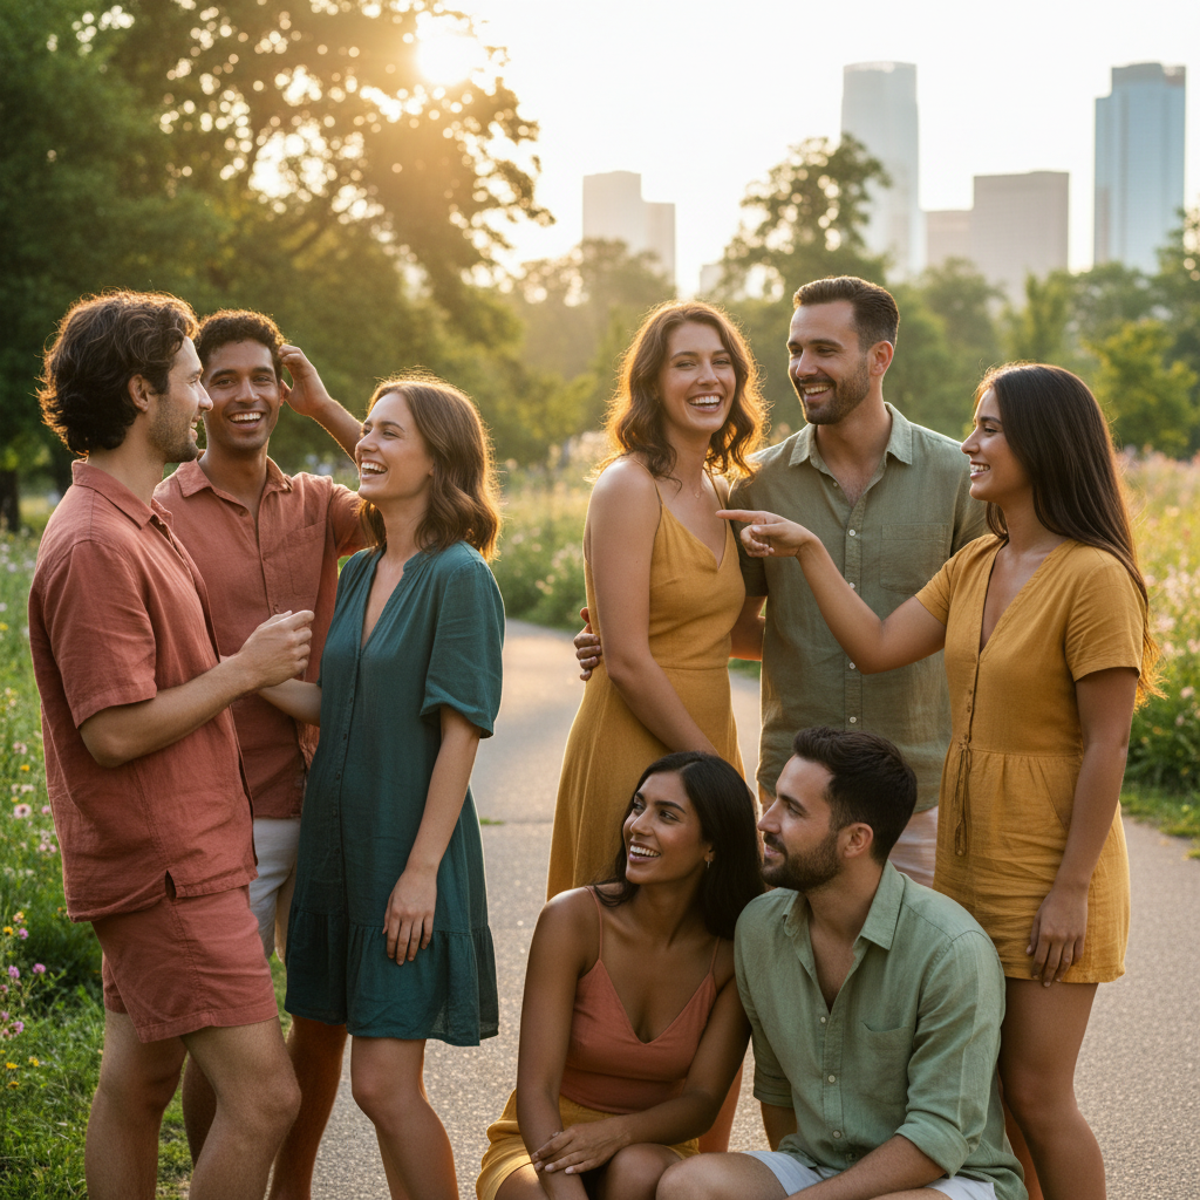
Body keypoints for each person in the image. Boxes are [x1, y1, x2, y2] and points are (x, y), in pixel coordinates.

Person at [722, 363, 1156, 1200]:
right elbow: (878, 644)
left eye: (990, 428)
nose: (970, 443)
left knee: (1037, 1094)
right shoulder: (979, 563)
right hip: (970, 859)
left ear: (1046, 443)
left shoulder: (1096, 576)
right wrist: (810, 550)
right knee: (994, 1093)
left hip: (1052, 866)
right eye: (975, 424)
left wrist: (1069, 890)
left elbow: (1110, 746)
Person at [27, 291, 315, 1200]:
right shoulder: (94, 545)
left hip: (181, 857)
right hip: (166, 870)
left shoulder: (135, 519)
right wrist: (245, 669)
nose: (203, 400)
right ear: (141, 391)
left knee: (140, 1082)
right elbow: (110, 734)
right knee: (267, 1097)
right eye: (193, 380)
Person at [578, 277, 984, 887]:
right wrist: (629, 644)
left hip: (918, 789)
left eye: (824, 350)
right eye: (795, 350)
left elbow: (988, 626)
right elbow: (725, 623)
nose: (802, 367)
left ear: (880, 358)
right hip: (789, 789)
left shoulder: (957, 475)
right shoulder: (755, 486)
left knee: (919, 975)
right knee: (773, 970)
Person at [260, 375, 505, 1199]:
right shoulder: (363, 571)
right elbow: (339, 702)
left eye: (388, 432)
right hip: (336, 854)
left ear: (440, 458)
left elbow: (461, 731)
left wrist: (420, 870)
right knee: (314, 1055)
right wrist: (236, 672)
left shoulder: (460, 575)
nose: (365, 443)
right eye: (365, 428)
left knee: (384, 1088)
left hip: (408, 853)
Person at [153, 310, 364, 1197]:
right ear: (199, 396)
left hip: (326, 795)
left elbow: (432, 501)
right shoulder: (163, 511)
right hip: (228, 807)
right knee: (230, 1027)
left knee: (321, 1015)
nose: (245, 395)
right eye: (224, 379)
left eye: (262, 379)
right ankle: (223, 1176)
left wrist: (327, 411)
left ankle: (294, 1187)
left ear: (280, 389)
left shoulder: (318, 504)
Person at [657, 727, 1025, 1200]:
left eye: (791, 809)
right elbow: (776, 1089)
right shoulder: (759, 928)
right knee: (687, 1187)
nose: (765, 822)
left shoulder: (951, 949)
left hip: (949, 1180)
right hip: (820, 1167)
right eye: (774, 802)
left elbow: (940, 1137)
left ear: (855, 840)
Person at [548, 300, 766, 900]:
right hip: (638, 747)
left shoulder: (722, 492)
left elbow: (723, 635)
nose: (708, 378)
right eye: (685, 363)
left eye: (721, 362)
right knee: (622, 938)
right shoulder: (627, 486)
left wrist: (853, 638)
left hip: (710, 735)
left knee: (708, 941)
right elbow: (628, 660)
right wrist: (714, 774)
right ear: (652, 382)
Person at [478, 752, 764, 1200]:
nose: (638, 826)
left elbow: (703, 1102)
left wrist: (619, 1133)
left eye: (666, 815)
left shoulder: (732, 953)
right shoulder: (572, 919)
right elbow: (537, 1089)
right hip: (543, 1138)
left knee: (637, 1169)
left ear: (713, 845)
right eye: (637, 806)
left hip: (655, 1144)